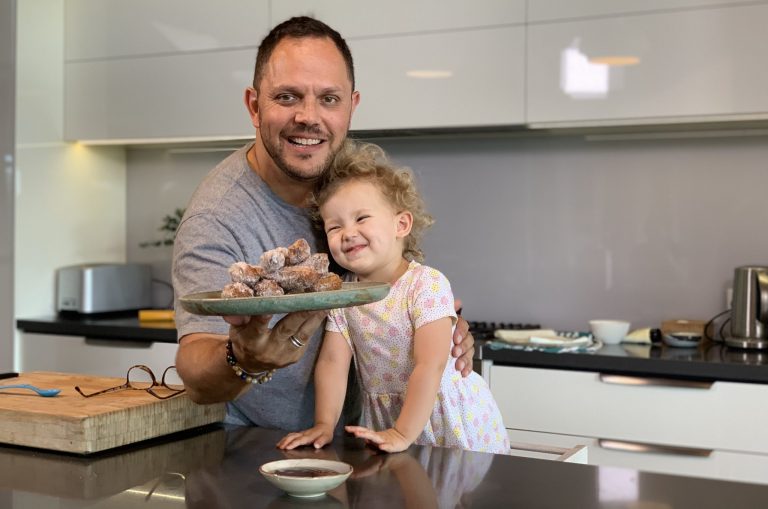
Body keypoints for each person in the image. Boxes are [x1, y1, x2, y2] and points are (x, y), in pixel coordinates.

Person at [172, 16, 475, 430]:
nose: (308, 117)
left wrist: (438, 327)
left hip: (361, 435)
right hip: (259, 450)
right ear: (254, 106)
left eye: (328, 99)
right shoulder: (219, 216)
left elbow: (400, 285)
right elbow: (196, 374)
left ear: (351, 105)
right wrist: (243, 358)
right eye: (287, 97)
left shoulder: (353, 181)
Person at [277, 141, 509, 454]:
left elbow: (431, 364)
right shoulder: (342, 296)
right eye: (334, 226)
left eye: (361, 219)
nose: (347, 232)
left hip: (447, 420)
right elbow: (332, 362)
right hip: (387, 423)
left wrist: (402, 432)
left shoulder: (426, 284)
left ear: (401, 224)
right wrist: (324, 424)